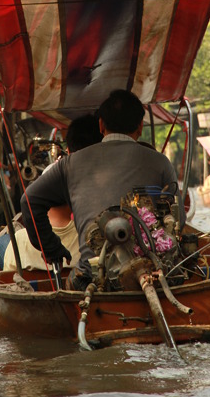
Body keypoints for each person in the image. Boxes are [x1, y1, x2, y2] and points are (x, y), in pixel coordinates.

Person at [20, 89, 181, 291]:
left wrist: (52, 249)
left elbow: (29, 201)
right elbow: (178, 220)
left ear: (101, 125)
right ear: (140, 127)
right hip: (154, 275)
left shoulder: (69, 164)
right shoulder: (161, 162)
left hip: (92, 279)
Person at [0, 113, 102, 272]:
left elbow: (8, 278)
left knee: (2, 242)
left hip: (30, 253)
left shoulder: (20, 241)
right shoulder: (91, 237)